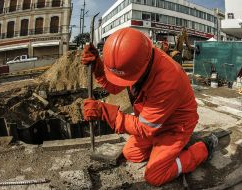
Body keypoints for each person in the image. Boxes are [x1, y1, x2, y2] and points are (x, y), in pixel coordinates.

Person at [81, 28, 218, 186]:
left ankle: (203, 148)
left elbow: (145, 128)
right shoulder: (139, 60)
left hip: (175, 126)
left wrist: (107, 113)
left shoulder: (167, 79)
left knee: (155, 175)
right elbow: (115, 86)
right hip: (154, 122)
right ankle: (164, 148)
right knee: (130, 154)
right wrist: (98, 67)